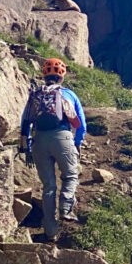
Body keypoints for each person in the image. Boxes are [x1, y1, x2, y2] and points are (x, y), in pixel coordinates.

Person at [19, 57, 86, 241]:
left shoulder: (35, 95)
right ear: (62, 76)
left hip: (39, 140)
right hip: (62, 137)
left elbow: (25, 122)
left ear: (44, 74)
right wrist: (77, 143)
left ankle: (50, 231)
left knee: (48, 186)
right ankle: (65, 207)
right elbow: (81, 124)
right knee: (71, 175)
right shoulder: (69, 94)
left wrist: (27, 146)